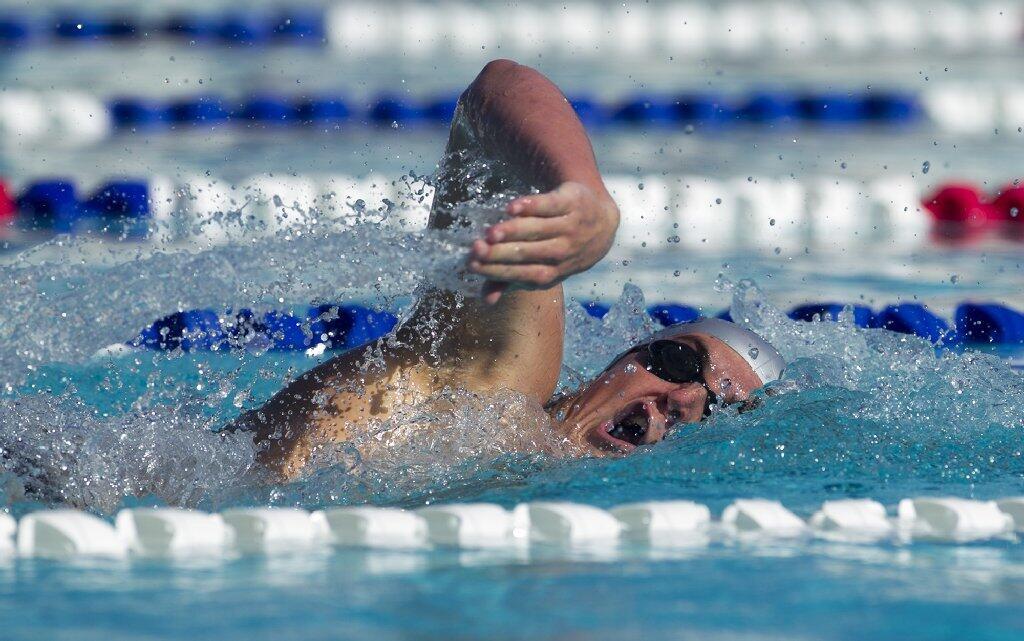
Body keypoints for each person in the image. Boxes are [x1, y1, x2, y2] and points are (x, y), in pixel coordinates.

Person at [233, 60, 785, 480]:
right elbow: (495, 87)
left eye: (716, 411)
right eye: (679, 360)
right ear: (623, 358)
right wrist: (583, 194)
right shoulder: (492, 389)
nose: (683, 398)